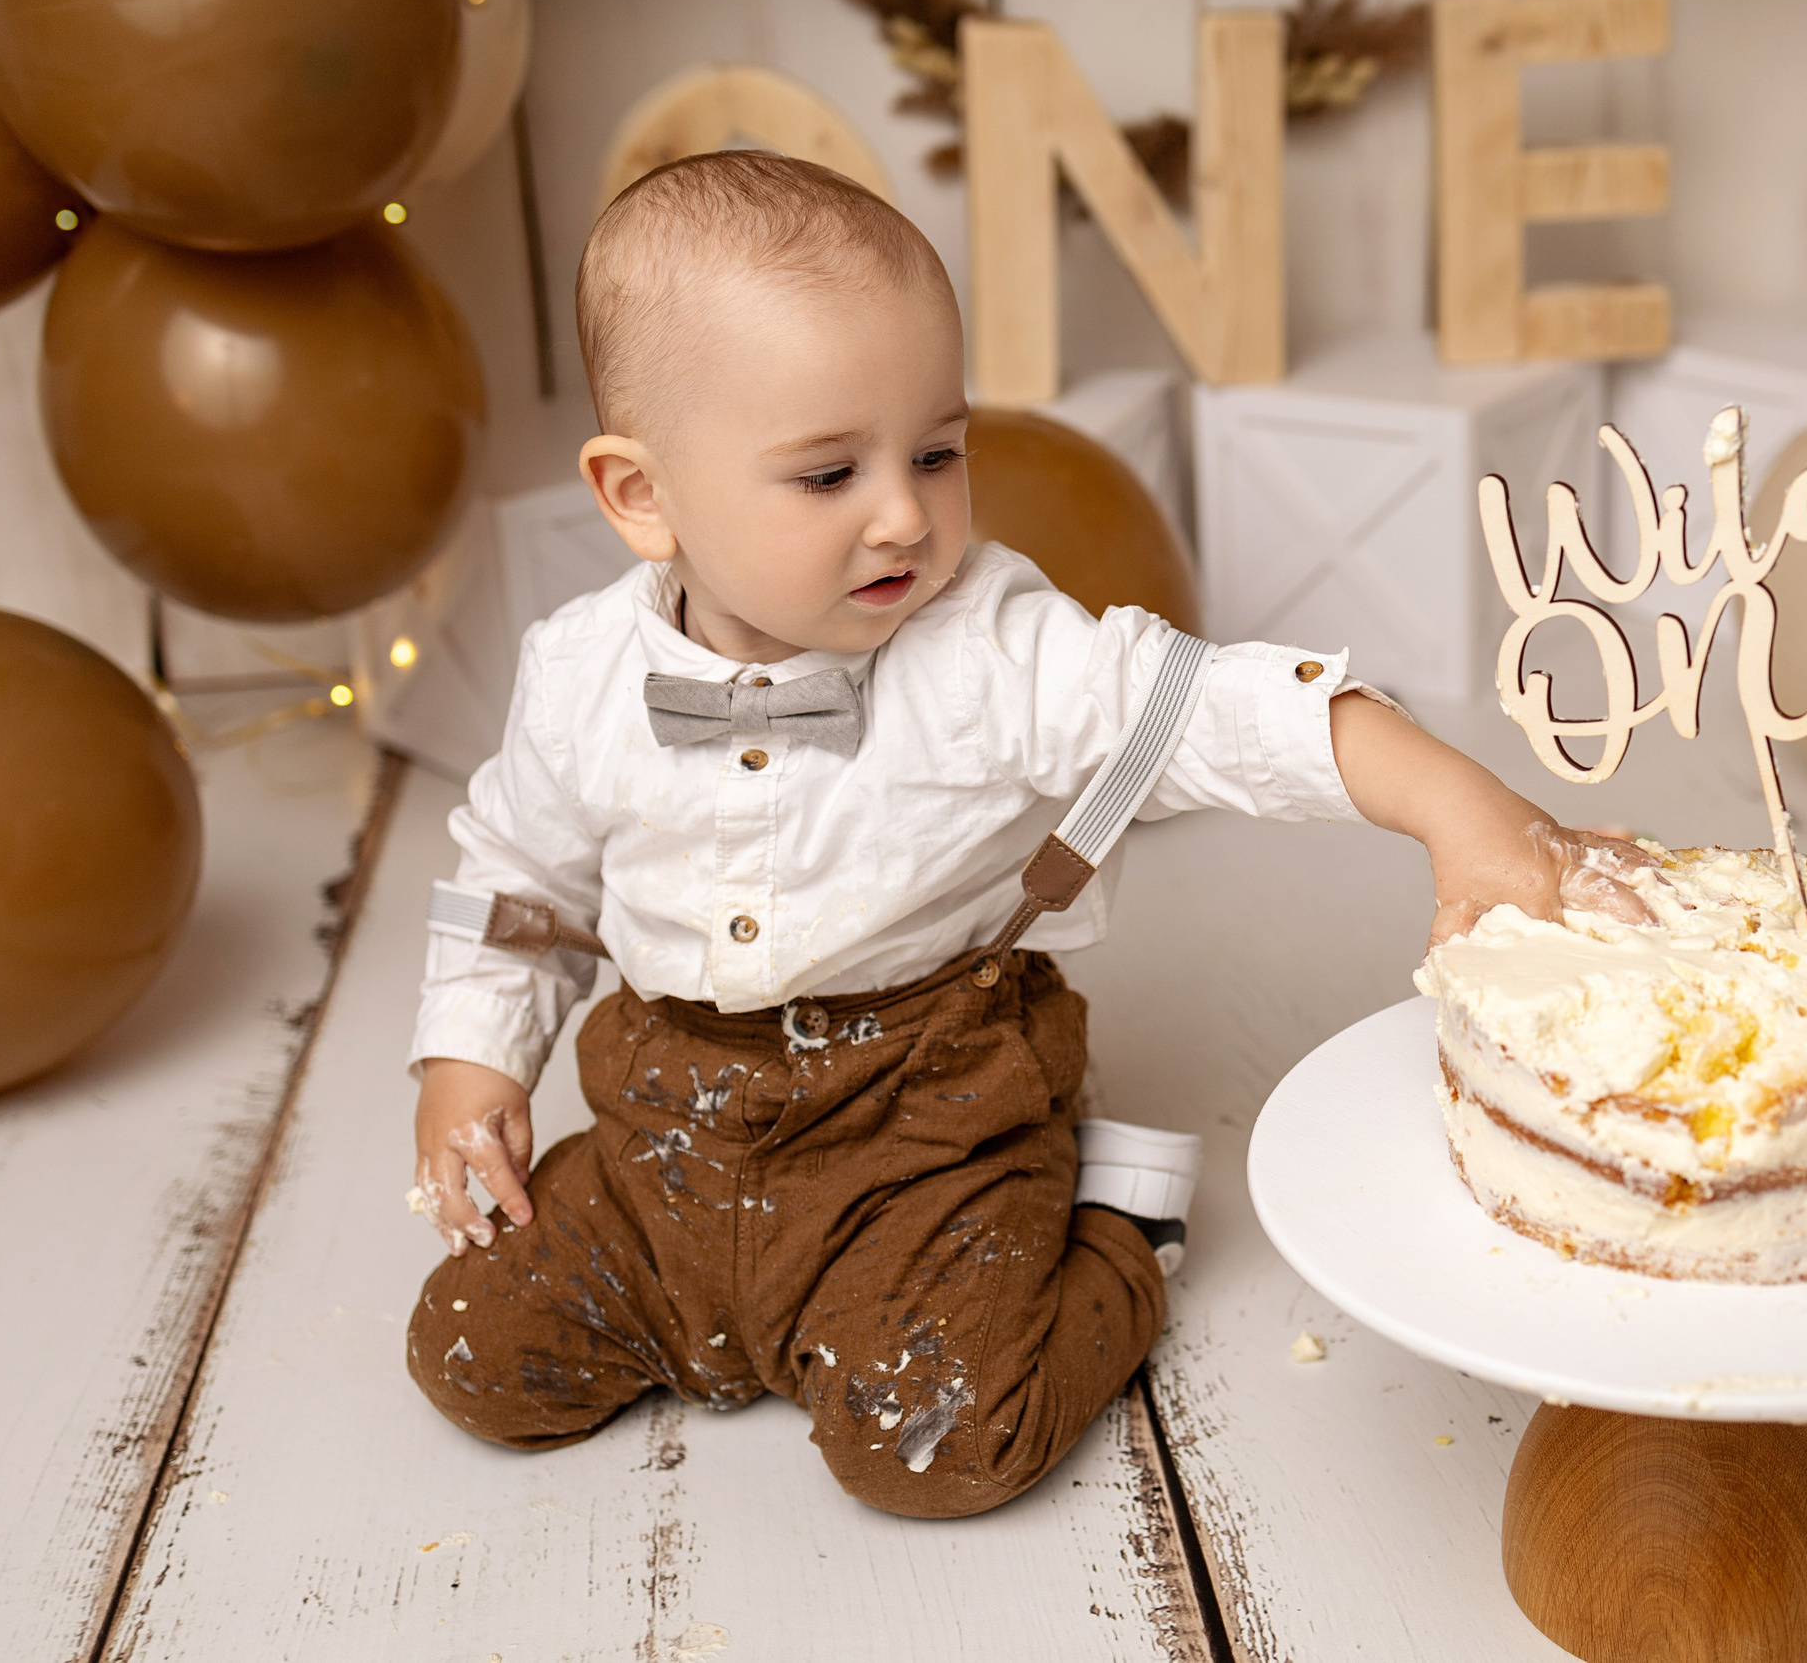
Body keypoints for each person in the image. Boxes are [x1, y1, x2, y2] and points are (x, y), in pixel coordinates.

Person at [404, 150, 1641, 1518]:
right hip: (666, 1133)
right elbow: (510, 880)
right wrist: (469, 1058)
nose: (906, 512)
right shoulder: (579, 675)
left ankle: (1109, 1220)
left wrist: (1466, 811)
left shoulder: (992, 650)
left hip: (924, 1120)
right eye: (829, 474)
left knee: (935, 1448)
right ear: (642, 496)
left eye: (938, 451)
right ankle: (705, 1304)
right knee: (472, 1354)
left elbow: (1218, 710)